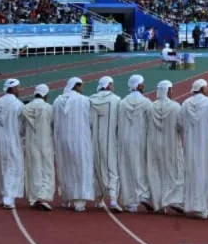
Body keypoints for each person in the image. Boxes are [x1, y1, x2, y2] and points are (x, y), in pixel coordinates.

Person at [180, 79, 208, 219]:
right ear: (203, 88)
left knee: (192, 173)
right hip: (206, 144)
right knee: (207, 173)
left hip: (190, 145)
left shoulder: (185, 104)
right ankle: (205, 206)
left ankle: (191, 204)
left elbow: (180, 123)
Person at [53, 77, 94, 212]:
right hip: (80, 140)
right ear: (76, 86)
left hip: (62, 140)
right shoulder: (84, 100)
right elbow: (91, 120)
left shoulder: (58, 101)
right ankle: (79, 201)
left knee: (65, 167)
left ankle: (66, 198)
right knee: (81, 168)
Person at [118, 75, 154, 213]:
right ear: (138, 86)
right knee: (141, 167)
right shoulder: (146, 102)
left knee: (126, 169)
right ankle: (143, 194)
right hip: (140, 138)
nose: (143, 86)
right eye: (142, 84)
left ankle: (130, 202)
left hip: (124, 139)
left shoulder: (123, 102)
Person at [147, 80, 184, 214]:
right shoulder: (175, 107)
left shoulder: (151, 107)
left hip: (154, 143)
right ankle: (173, 200)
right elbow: (180, 125)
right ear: (167, 91)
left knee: (156, 172)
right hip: (171, 143)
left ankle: (158, 203)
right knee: (175, 171)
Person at [89, 76, 123, 213]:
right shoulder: (115, 100)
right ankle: (113, 199)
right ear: (108, 85)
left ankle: (99, 199)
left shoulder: (90, 100)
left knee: (96, 168)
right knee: (112, 168)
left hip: (93, 139)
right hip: (110, 138)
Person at [0, 79, 25, 210]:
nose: (19, 90)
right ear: (12, 89)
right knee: (13, 166)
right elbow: (21, 125)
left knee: (0, 166)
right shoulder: (18, 104)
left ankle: (2, 195)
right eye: (18, 88)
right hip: (12, 139)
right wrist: (23, 136)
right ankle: (8, 198)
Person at [23, 84, 55, 211]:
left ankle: (34, 196)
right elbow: (53, 125)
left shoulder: (26, 108)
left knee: (33, 168)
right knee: (46, 168)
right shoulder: (49, 108)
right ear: (45, 94)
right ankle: (43, 195)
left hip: (31, 142)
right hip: (45, 141)